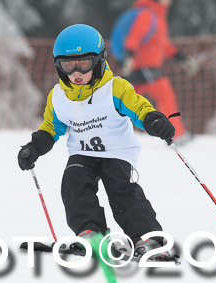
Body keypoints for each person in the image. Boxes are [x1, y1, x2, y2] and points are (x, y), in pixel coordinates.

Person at [17, 24, 175, 260]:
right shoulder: (59, 96)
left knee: (121, 189)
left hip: (117, 152)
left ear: (99, 61)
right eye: (68, 65)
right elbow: (52, 126)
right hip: (82, 153)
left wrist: (153, 120)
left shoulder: (115, 88)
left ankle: (148, 238)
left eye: (84, 63)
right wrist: (34, 147)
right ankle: (90, 233)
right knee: (74, 183)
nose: (76, 72)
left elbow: (138, 108)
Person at [121, 0, 198, 143]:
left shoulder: (158, 17)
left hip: (147, 67)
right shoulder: (147, 14)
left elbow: (164, 46)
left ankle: (103, 129)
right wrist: (129, 57)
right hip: (144, 67)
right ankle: (177, 135)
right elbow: (133, 37)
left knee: (125, 100)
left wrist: (182, 58)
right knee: (165, 97)